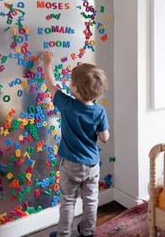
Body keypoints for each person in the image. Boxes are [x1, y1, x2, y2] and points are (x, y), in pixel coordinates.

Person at [42, 51, 110, 237]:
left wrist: (47, 62)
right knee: (90, 200)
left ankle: (64, 233)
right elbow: (105, 138)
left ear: (75, 90)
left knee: (68, 201)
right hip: (91, 165)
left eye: (72, 83)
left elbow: (50, 84)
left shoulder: (67, 104)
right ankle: (88, 231)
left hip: (70, 164)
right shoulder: (99, 111)